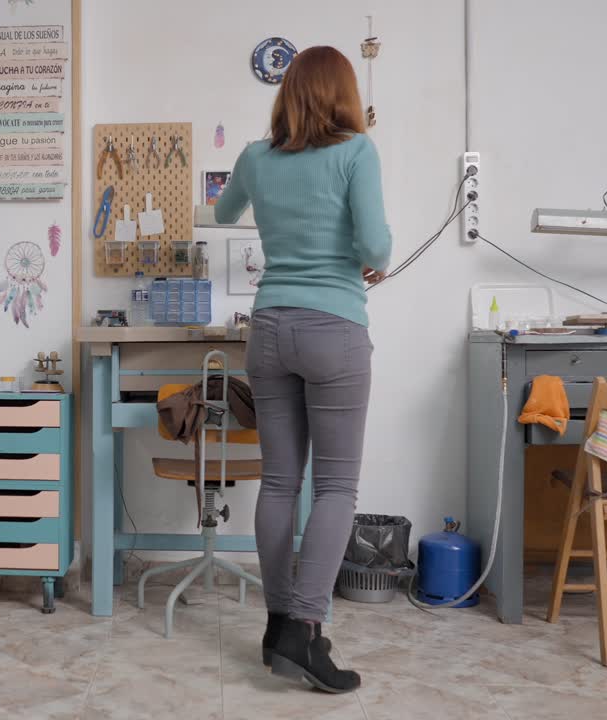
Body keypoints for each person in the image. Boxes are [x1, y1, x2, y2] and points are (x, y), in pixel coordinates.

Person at [213, 45, 391, 694]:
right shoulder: (356, 152)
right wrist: (377, 258)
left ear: (288, 93)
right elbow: (374, 244)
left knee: (281, 482)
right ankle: (307, 633)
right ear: (343, 95)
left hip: (269, 331)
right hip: (334, 331)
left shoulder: (257, 158)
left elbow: (223, 213)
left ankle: (276, 624)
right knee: (337, 487)